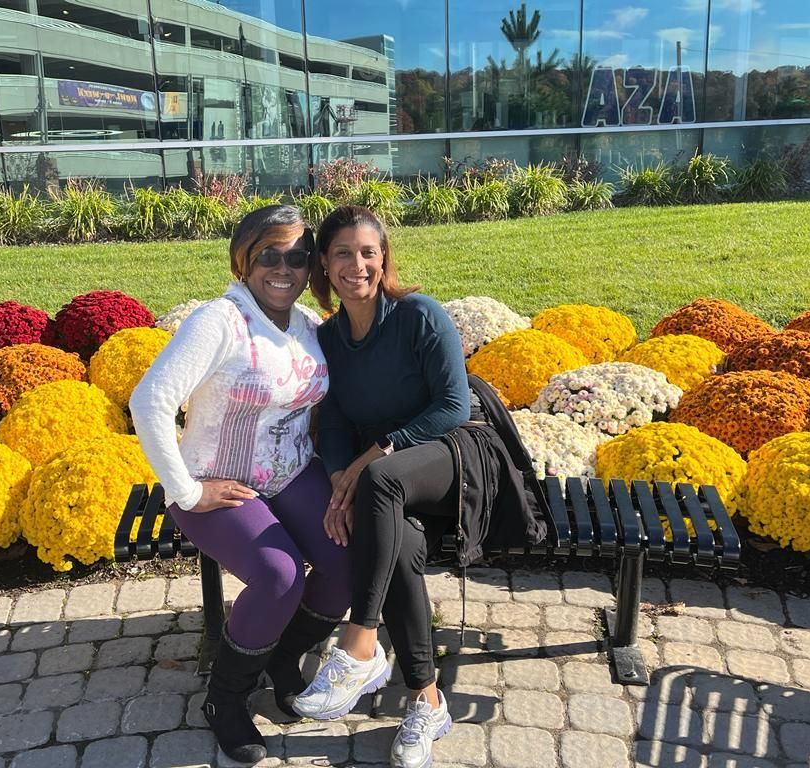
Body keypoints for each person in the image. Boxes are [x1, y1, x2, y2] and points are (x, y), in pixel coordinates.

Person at [292, 205, 547, 768]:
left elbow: (454, 406)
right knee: (400, 549)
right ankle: (426, 700)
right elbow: (332, 421)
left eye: (368, 252)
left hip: (457, 458)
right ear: (324, 267)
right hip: (387, 483)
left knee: (380, 479)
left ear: (384, 259)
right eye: (342, 253)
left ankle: (360, 640)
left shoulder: (419, 316)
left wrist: (373, 458)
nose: (357, 264)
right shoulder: (330, 337)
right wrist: (339, 479)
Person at [130, 205, 351, 766]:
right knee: (279, 577)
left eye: (297, 257)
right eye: (268, 255)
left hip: (292, 472)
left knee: (349, 558)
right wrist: (187, 491)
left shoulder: (304, 324)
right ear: (243, 261)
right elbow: (150, 401)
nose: (284, 268)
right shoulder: (218, 321)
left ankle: (282, 656)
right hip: (214, 484)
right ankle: (224, 699)